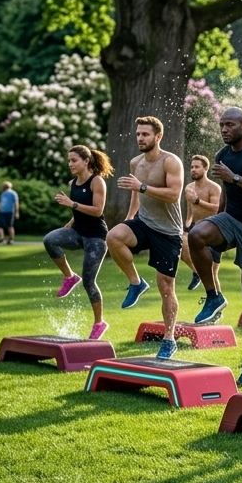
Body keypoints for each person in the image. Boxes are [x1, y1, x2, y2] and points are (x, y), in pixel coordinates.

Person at [185, 108, 242, 384]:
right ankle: (214, 296)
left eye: (229, 125)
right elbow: (225, 193)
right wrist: (217, 224)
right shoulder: (222, 155)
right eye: (221, 125)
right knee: (196, 235)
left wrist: (235, 177)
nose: (224, 129)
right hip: (230, 219)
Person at [106, 116, 185, 360]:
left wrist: (142, 187)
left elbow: (173, 195)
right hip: (144, 222)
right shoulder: (135, 162)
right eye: (138, 134)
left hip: (168, 231)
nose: (140, 138)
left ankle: (169, 339)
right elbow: (134, 192)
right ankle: (136, 283)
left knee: (165, 287)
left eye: (145, 134)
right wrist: (129, 219)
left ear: (157, 136)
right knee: (114, 236)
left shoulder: (171, 162)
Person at [44, 146, 113, 339]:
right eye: (69, 161)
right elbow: (78, 212)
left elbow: (97, 211)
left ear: (86, 161)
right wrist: (69, 223)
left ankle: (99, 323)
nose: (70, 164)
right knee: (50, 239)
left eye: (74, 160)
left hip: (96, 237)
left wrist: (71, 204)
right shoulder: (73, 183)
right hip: (77, 232)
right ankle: (69, 277)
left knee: (89, 282)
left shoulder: (97, 181)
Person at [181, 155, 222, 292]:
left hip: (213, 230)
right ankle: (196, 272)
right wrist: (188, 222)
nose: (193, 170)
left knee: (212, 272)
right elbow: (190, 206)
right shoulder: (189, 187)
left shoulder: (214, 188)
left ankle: (218, 303)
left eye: (197, 167)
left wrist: (198, 200)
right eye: (192, 167)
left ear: (205, 168)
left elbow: (217, 208)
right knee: (180, 246)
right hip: (195, 226)